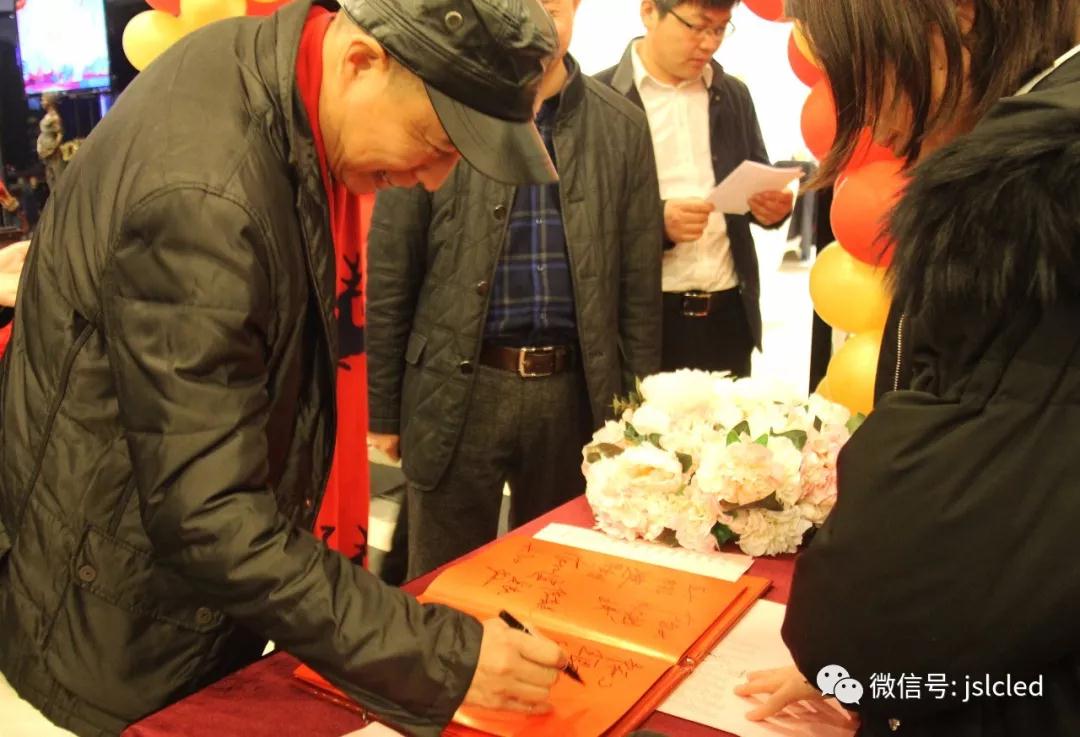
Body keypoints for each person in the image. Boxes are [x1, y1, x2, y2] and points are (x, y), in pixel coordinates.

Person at [0, 1, 575, 735]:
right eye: (435, 142)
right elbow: (208, 512)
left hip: (156, 583)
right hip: (116, 628)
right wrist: (441, 657)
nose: (433, 179)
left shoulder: (260, 74)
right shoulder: (207, 195)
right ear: (362, 61)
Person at [734, 1, 1080, 735]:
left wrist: (850, 655)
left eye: (865, 70)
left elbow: (975, 501)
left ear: (956, 16)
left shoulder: (1027, 189)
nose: (868, 122)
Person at [367, 0, 664, 579]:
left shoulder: (621, 126)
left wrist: (640, 415)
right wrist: (383, 408)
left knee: (558, 576)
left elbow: (639, 293)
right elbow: (393, 267)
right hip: (459, 383)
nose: (536, 22)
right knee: (444, 580)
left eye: (553, 7)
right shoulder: (441, 103)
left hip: (574, 393)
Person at [596, 0, 793, 378]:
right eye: (696, 27)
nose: (709, 43)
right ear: (649, 11)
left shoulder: (733, 95)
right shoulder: (601, 98)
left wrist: (770, 208)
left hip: (728, 314)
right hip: (642, 322)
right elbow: (582, 219)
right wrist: (657, 223)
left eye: (720, 29)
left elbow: (754, 175)